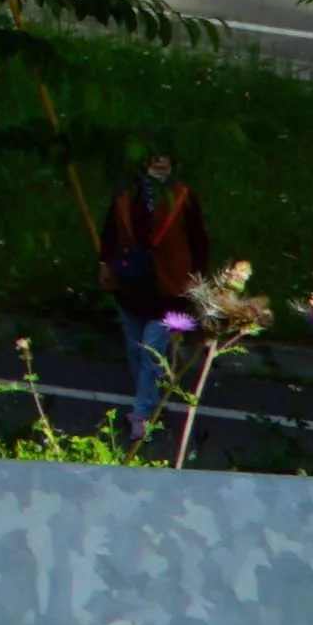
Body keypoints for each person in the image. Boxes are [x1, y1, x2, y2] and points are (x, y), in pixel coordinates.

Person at [96, 145, 211, 439]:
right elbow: (110, 231)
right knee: (135, 349)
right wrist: (105, 264)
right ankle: (150, 399)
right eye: (154, 157)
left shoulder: (183, 197)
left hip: (169, 289)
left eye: (166, 157)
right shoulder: (127, 193)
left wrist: (197, 280)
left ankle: (142, 412)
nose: (161, 162)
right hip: (132, 286)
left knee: (151, 351)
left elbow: (199, 241)